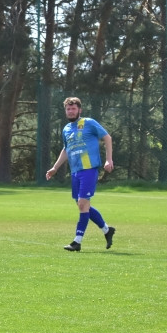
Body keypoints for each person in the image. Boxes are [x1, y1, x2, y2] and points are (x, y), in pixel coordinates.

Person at [45, 96, 116, 252]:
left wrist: (108, 159)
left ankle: (77, 242)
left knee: (83, 204)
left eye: (73, 109)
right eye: (68, 109)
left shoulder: (89, 123)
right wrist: (55, 168)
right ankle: (106, 230)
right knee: (82, 205)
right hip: (75, 171)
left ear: (79, 110)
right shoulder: (66, 129)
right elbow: (66, 149)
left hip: (89, 169)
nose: (71, 111)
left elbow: (107, 137)